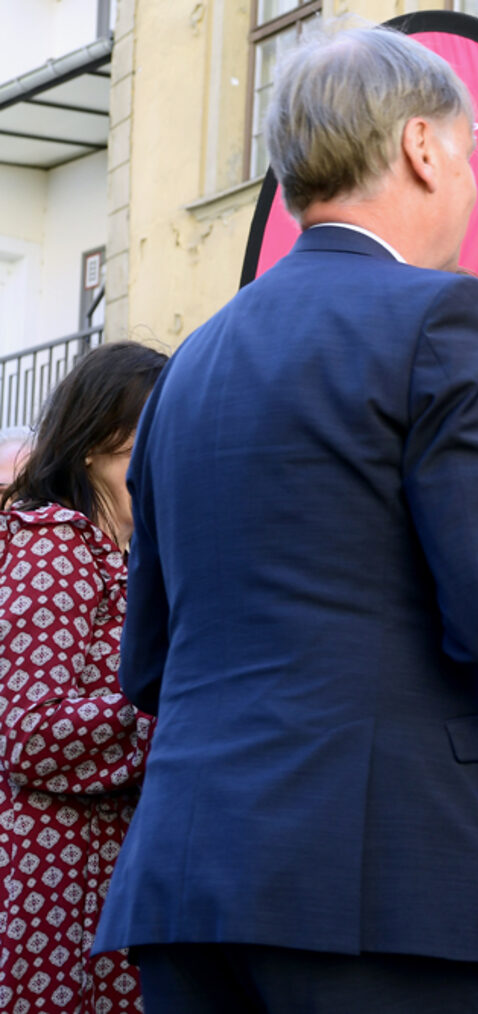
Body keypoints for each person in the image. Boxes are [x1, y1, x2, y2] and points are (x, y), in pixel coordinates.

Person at [93, 22, 478, 1014]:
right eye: (465, 150)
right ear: (419, 147)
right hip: (374, 883)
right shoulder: (446, 316)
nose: (469, 180)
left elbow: (147, 662)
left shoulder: (188, 367)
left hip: (188, 884)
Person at [0, 341, 166, 1014]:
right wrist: (178, 717)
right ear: (99, 441)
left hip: (105, 878)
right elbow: (30, 731)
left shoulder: (121, 553)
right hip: (60, 888)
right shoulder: (53, 542)